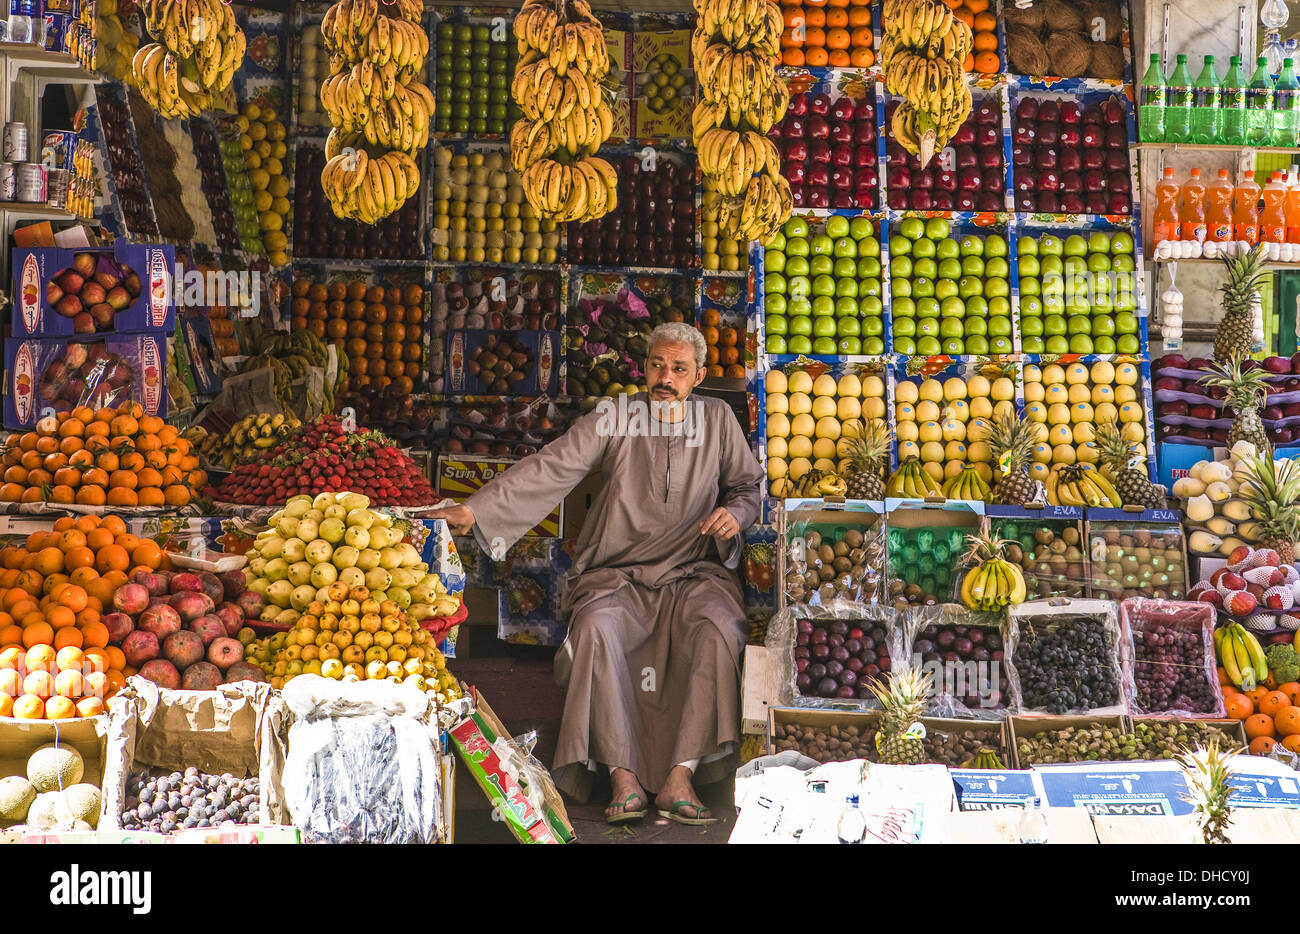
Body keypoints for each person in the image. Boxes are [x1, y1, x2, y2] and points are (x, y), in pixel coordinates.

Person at [428, 323, 763, 825]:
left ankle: (680, 776)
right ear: (643, 365)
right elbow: (555, 464)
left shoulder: (716, 419)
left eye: (678, 369)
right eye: (656, 365)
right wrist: (478, 511)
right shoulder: (617, 415)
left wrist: (736, 514)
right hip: (617, 573)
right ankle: (621, 775)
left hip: (694, 573)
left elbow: (748, 487)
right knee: (596, 629)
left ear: (699, 376)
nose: (664, 378)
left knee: (716, 631)